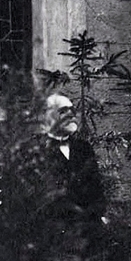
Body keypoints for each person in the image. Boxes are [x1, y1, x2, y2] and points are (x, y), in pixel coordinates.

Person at [41, 92, 108, 223]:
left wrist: (100, 215)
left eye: (72, 110)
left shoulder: (84, 147)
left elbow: (96, 187)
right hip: (52, 229)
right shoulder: (35, 150)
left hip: (87, 226)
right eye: (62, 111)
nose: (71, 115)